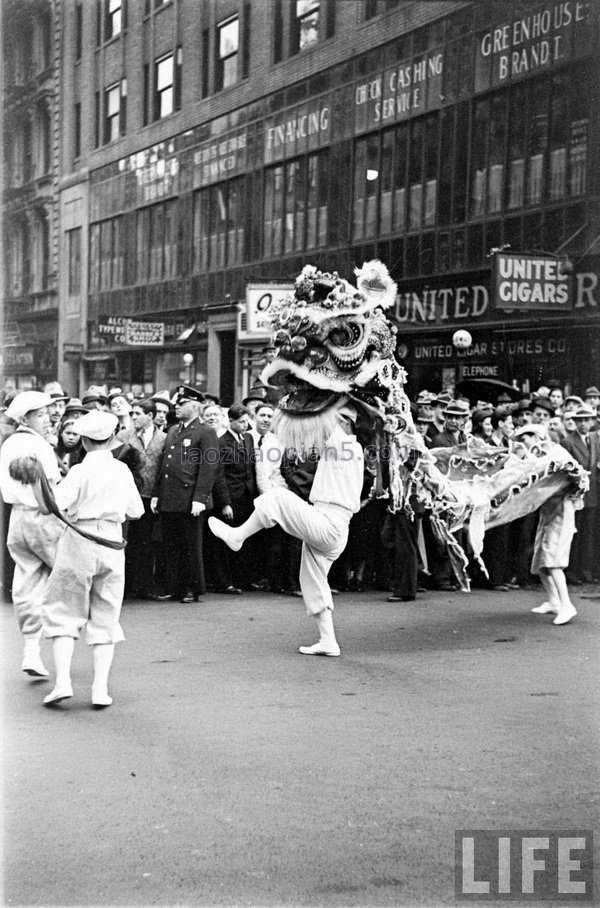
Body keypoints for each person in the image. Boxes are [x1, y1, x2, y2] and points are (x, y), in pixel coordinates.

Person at [209, 398, 364, 656]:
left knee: (277, 496)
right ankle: (328, 640)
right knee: (312, 581)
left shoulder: (346, 445)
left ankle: (238, 536)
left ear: (345, 422)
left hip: (330, 522)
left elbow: (324, 420)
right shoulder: (346, 447)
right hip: (331, 524)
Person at [40, 410, 144, 706]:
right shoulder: (121, 471)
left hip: (80, 539)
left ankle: (62, 682)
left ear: (83, 442)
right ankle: (100, 689)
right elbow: (136, 511)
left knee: (63, 609)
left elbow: (55, 506)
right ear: (112, 440)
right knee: (106, 615)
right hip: (111, 541)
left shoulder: (79, 472)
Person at [0, 391, 64, 677]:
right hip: (43, 517)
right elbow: (51, 487)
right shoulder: (38, 445)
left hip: (17, 518)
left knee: (28, 582)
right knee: (67, 573)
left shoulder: (9, 443)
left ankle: (31, 650)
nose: (47, 419)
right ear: (26, 418)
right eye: (41, 415)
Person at [151, 386, 219, 603]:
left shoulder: (205, 432)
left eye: (181, 404)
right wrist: (156, 494)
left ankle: (192, 587)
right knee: (172, 545)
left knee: (190, 546)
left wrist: (200, 498)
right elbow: (165, 465)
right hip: (170, 496)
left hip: (190, 498)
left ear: (194, 406)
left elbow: (209, 467)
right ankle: (176, 586)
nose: (176, 408)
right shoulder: (173, 430)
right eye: (176, 404)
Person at [514, 423, 581, 625]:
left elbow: (576, 478)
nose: (523, 444)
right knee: (541, 560)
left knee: (553, 561)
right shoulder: (538, 456)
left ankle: (567, 605)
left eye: (525, 439)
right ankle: (554, 601)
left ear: (536, 436)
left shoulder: (557, 454)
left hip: (561, 512)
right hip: (547, 512)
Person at [119, 399, 166, 599]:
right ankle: (126, 586)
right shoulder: (123, 436)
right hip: (128, 495)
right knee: (128, 541)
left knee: (147, 543)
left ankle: (145, 586)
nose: (134, 417)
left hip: (150, 497)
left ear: (150, 415)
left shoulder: (164, 438)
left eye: (137, 413)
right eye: (132, 414)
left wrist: (158, 494)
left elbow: (164, 468)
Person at [560, 404, 599, 584]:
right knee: (574, 534)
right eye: (580, 420)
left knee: (588, 535)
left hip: (592, 495)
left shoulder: (594, 440)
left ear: (592, 422)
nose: (583, 424)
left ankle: (585, 570)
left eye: (586, 420)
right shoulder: (568, 442)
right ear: (575, 422)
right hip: (575, 494)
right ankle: (571, 570)